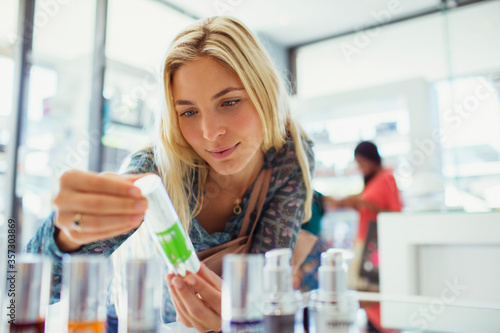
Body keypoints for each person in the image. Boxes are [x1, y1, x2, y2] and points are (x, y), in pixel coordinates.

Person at [25, 16, 314, 332]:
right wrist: (65, 236)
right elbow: (29, 288)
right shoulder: (154, 171)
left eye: (229, 102)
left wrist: (234, 318)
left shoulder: (290, 155)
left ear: (265, 92)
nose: (209, 132)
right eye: (189, 112)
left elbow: (264, 283)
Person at [338, 141, 402, 243]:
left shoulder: (387, 178)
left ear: (371, 159)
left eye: (362, 163)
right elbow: (369, 212)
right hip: (365, 236)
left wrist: (362, 202)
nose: (360, 167)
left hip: (378, 239)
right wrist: (355, 204)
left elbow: (395, 213)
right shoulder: (371, 180)